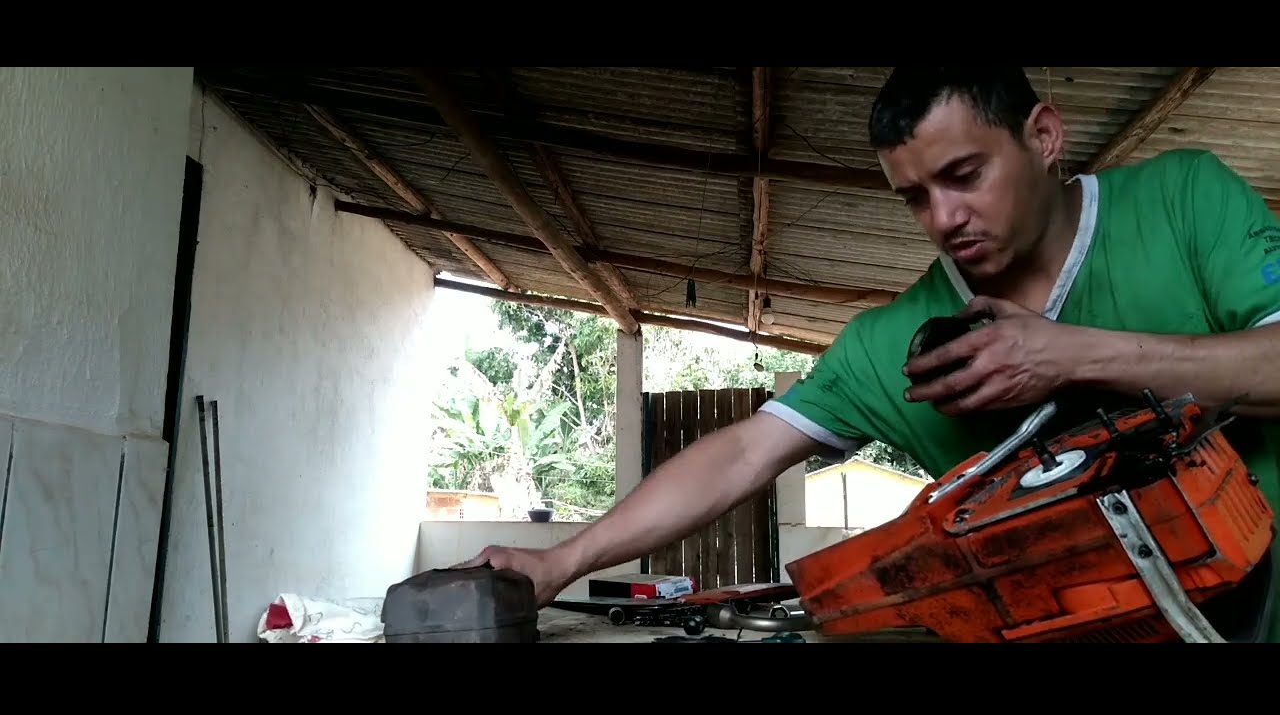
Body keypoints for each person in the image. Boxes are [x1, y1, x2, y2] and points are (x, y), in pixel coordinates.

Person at [456, 67, 1280, 641]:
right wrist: (562, 560)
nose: (944, 217)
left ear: (1044, 134)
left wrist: (1070, 355)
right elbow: (743, 453)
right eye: (917, 196)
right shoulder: (894, 340)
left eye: (965, 174)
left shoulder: (1184, 202)